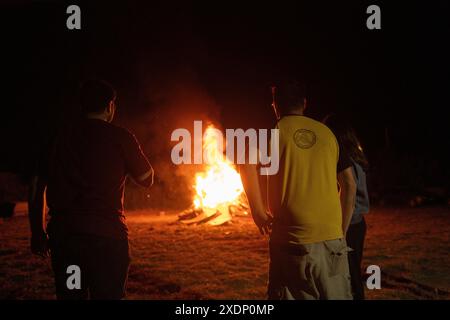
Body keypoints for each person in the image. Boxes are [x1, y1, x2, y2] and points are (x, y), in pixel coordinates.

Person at [28, 80, 154, 299]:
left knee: (71, 295)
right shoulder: (121, 137)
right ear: (109, 107)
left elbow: (37, 188)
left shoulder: (58, 138)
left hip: (67, 242)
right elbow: (146, 179)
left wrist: (37, 232)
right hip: (108, 241)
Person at [240, 80, 356, 300]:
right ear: (305, 103)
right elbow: (350, 184)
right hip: (332, 240)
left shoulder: (273, 133)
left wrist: (257, 212)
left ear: (275, 105)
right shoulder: (327, 134)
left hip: (290, 240)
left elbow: (246, 165)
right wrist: (340, 230)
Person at [325, 115, 369, 300]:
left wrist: (340, 232)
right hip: (357, 223)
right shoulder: (355, 157)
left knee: (347, 276)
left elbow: (348, 193)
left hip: (348, 223)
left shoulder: (344, 161)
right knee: (351, 273)